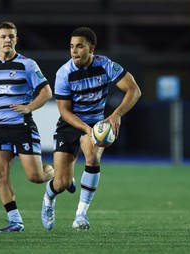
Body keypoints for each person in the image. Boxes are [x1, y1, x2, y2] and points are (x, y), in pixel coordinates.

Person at [41, 27, 141, 230]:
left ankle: (81, 214)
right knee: (61, 183)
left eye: (79, 46)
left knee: (93, 156)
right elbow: (65, 112)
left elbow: (134, 90)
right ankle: (48, 199)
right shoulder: (64, 73)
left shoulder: (106, 66)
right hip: (70, 124)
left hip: (97, 122)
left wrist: (116, 114)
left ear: (91, 48)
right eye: (71, 46)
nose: (74, 51)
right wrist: (87, 129)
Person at [0, 21, 59, 232]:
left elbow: (47, 92)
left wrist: (29, 107)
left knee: (36, 177)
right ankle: (15, 221)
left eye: (11, 36)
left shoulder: (27, 65)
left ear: (16, 40)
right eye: (3, 36)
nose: (7, 40)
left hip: (22, 126)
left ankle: (60, 175)